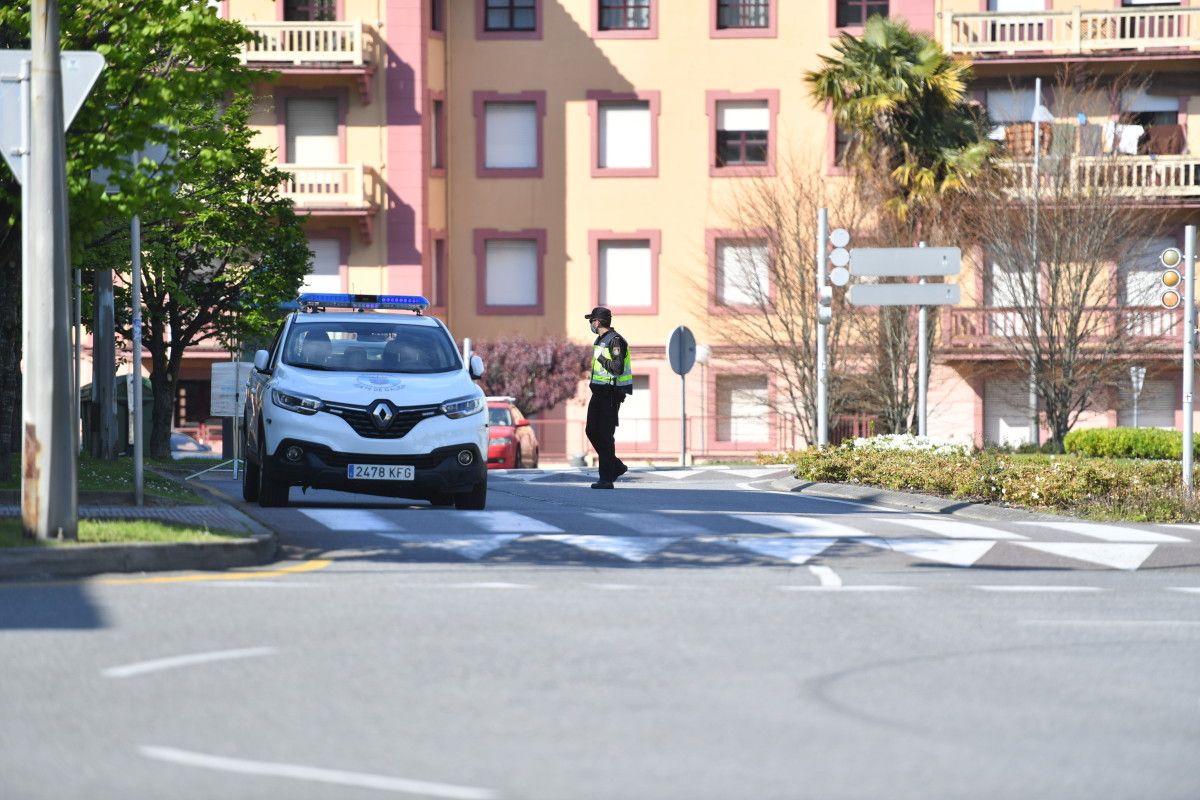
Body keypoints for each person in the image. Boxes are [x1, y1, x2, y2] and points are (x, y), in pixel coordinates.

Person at [584, 306, 632, 489]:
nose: (591, 324)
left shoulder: (615, 341)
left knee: (605, 435)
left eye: (591, 321)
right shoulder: (601, 340)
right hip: (599, 393)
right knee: (591, 431)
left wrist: (602, 359)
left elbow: (617, 368)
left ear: (597, 322)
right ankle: (616, 466)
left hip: (610, 395)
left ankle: (606, 478)